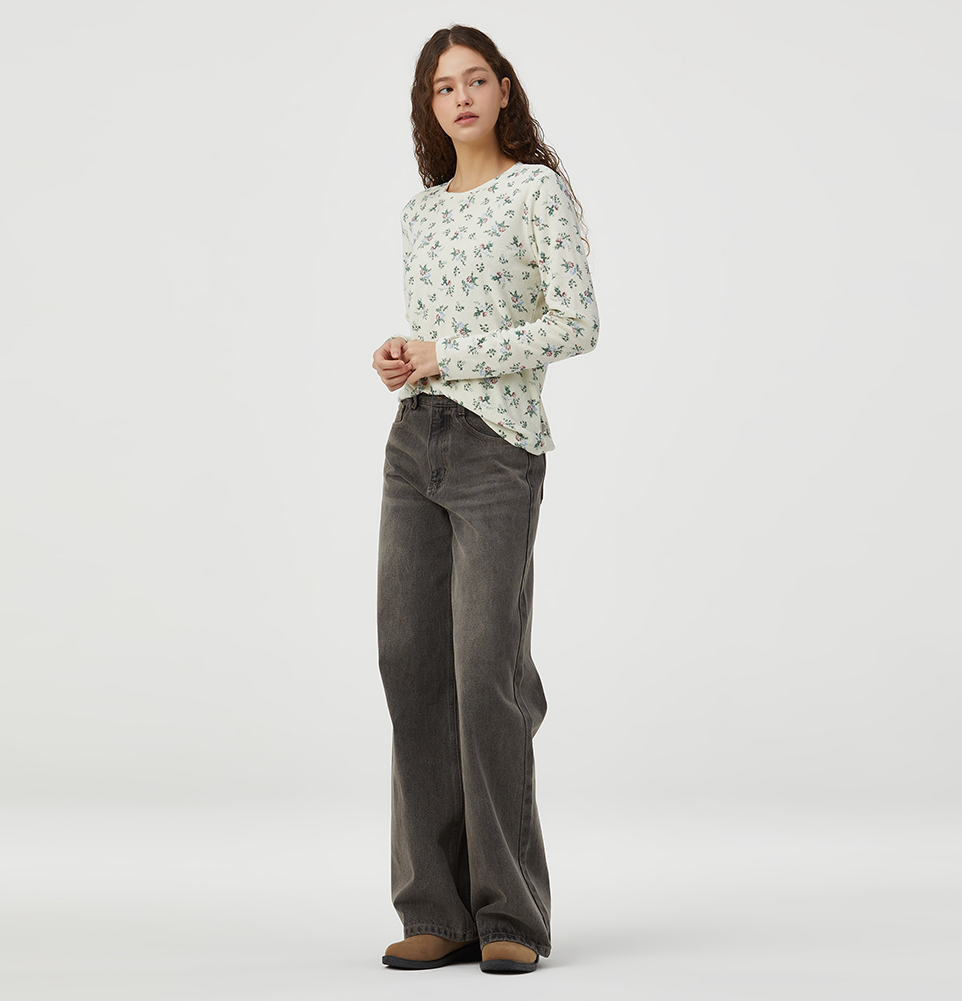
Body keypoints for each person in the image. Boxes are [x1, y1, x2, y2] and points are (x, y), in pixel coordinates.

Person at [372, 24, 599, 975]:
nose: (460, 97)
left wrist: (448, 356)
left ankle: (510, 913)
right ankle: (436, 906)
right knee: (411, 667)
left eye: (474, 80)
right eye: (442, 87)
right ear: (428, 107)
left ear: (504, 90)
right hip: (413, 441)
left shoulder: (536, 190)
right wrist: (405, 357)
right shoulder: (420, 213)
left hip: (496, 448)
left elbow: (576, 323)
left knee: (485, 674)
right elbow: (436, 334)